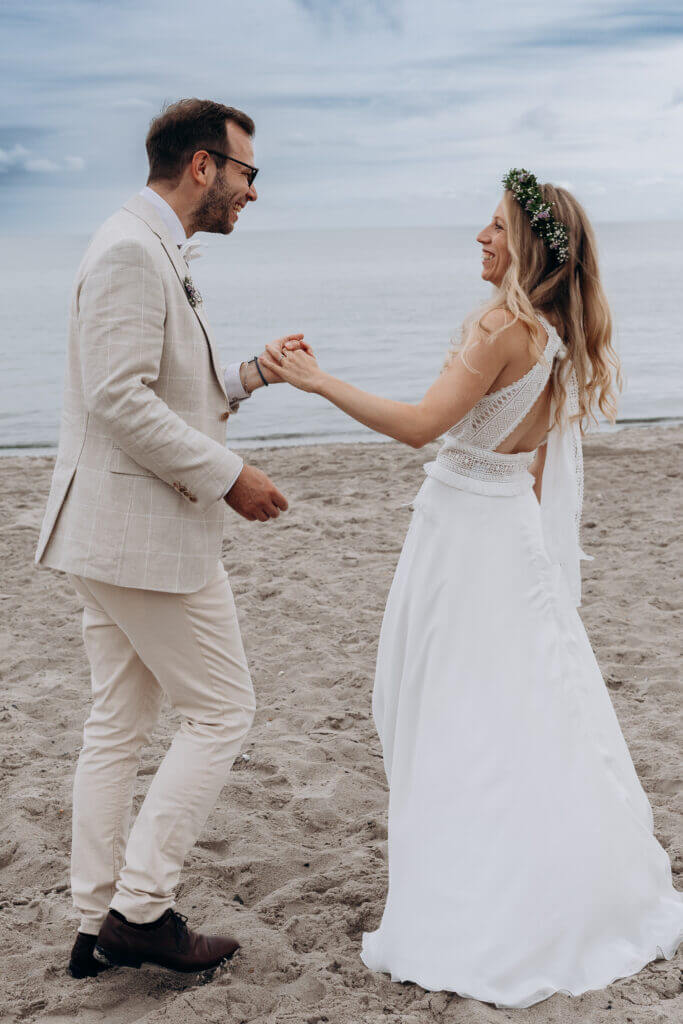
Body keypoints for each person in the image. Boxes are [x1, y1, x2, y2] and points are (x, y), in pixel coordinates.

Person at [260, 170, 683, 1008]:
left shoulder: (501, 326)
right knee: (519, 710)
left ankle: (482, 902)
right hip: (499, 533)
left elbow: (422, 426)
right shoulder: (555, 331)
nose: (480, 238)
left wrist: (315, 382)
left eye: (494, 227)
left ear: (526, 244)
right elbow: (527, 466)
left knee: (454, 710)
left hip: (463, 535)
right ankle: (556, 879)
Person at [34, 98, 307, 979]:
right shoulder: (127, 250)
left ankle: (92, 923)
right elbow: (119, 399)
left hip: (110, 535)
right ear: (202, 166)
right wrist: (229, 477)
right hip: (138, 537)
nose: (251, 193)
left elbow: (167, 388)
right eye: (246, 173)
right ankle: (141, 909)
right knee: (223, 710)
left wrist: (250, 374)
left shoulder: (150, 246)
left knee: (117, 723)